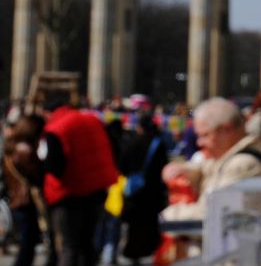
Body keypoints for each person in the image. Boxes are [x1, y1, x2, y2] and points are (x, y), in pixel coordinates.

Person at [161, 98, 261, 221]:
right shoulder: (230, 155)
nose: (199, 142)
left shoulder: (242, 164)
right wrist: (182, 170)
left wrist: (169, 215)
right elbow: (205, 167)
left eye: (205, 135)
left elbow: (211, 215)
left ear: (226, 130)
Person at [41, 102, 120, 266]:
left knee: (69, 246)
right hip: (96, 191)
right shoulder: (94, 120)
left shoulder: (56, 128)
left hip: (69, 195)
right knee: (88, 242)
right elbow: (112, 149)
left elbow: (54, 167)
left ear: (50, 112)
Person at [118, 114, 168, 264]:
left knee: (134, 228)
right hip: (153, 193)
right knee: (151, 226)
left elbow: (122, 166)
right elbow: (163, 167)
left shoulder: (132, 143)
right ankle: (150, 255)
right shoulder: (158, 143)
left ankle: (133, 254)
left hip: (135, 193)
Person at [3, 114, 45, 266]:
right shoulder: (24, 150)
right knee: (28, 240)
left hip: (16, 198)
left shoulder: (12, 146)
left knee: (28, 239)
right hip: (24, 199)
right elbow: (37, 174)